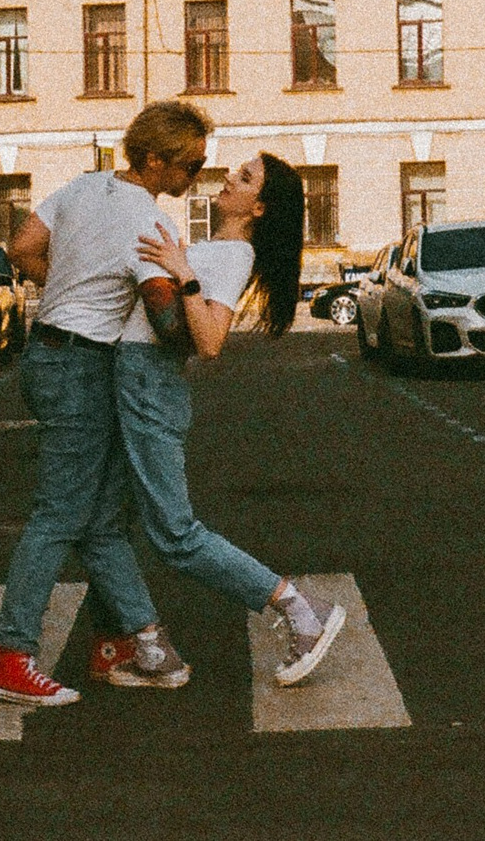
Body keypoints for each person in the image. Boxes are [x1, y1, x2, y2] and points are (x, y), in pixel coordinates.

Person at [0, 101, 211, 708]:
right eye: (190, 165)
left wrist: (68, 283)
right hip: (84, 366)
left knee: (97, 515)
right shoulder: (150, 227)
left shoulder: (81, 188)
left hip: (46, 353)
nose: (196, 177)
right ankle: (12, 657)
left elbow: (21, 247)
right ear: (156, 160)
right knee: (59, 514)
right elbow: (168, 325)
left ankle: (127, 642)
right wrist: (195, 300)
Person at [126, 151, 347, 689]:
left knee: (176, 535)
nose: (228, 177)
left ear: (260, 207)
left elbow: (210, 342)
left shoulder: (231, 255)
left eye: (244, 178)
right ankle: (138, 642)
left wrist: (184, 275)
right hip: (138, 382)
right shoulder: (216, 246)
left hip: (150, 387)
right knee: (110, 524)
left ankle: (297, 608)